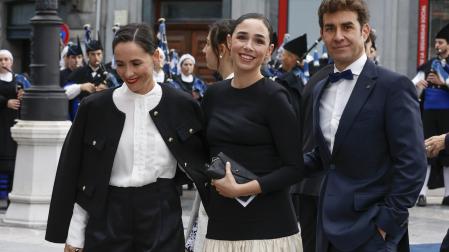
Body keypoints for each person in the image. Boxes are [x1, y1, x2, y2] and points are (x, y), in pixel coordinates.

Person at [45, 23, 210, 252]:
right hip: (106, 218)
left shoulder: (182, 105)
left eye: (136, 63)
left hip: (162, 217)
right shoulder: (94, 108)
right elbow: (81, 173)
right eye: (120, 65)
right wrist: (74, 234)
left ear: (154, 56)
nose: (128, 73)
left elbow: (205, 163)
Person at [304, 0, 427, 251]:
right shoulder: (320, 88)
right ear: (322, 34)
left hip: (372, 231)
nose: (338, 36)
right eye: (330, 28)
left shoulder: (393, 86)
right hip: (326, 227)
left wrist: (387, 223)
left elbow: (412, 163)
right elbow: (324, 154)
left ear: (364, 31)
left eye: (347, 27)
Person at [201, 13, 304, 251]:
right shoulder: (214, 94)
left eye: (258, 41)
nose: (248, 46)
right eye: (242, 37)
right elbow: (205, 153)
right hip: (221, 226)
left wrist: (242, 189)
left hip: (269, 230)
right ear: (229, 42)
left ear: (269, 51)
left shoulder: (275, 97)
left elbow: (294, 169)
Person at [185, 19, 234, 252]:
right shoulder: (215, 91)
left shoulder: (224, 93)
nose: (203, 50)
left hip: (231, 197)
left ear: (222, 49)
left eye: (207, 44)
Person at [412, 23, 449, 207]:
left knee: (447, 153)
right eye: (436, 42)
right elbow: (413, 87)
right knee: (426, 149)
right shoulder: (428, 65)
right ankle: (422, 193)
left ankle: (448, 194)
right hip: (427, 113)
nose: (437, 46)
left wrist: (443, 83)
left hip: (447, 114)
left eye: (440, 42)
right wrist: (418, 87)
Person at [0, 49, 31, 209]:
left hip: (13, 124)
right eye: (1, 60)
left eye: (6, 59)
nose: (4, 62)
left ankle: (11, 198)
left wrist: (23, 95)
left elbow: (31, 96)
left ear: (11, 62)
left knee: (13, 163)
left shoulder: (18, 79)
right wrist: (5, 102)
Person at [64, 40, 110, 120]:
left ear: (102, 54)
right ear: (87, 55)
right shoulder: (78, 72)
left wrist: (108, 91)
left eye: (99, 54)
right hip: (81, 117)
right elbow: (65, 93)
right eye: (93, 54)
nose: (96, 58)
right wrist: (81, 87)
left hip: (104, 118)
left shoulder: (109, 73)